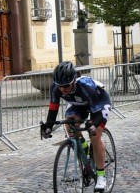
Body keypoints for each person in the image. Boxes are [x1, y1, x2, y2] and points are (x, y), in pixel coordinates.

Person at [41, 61, 111, 191]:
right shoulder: (56, 88)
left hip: (98, 103)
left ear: (73, 80)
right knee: (69, 124)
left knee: (95, 136)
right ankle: (83, 147)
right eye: (60, 86)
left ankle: (101, 176)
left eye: (66, 86)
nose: (63, 89)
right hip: (78, 104)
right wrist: (48, 127)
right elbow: (53, 110)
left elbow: (97, 115)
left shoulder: (86, 87)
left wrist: (93, 125)